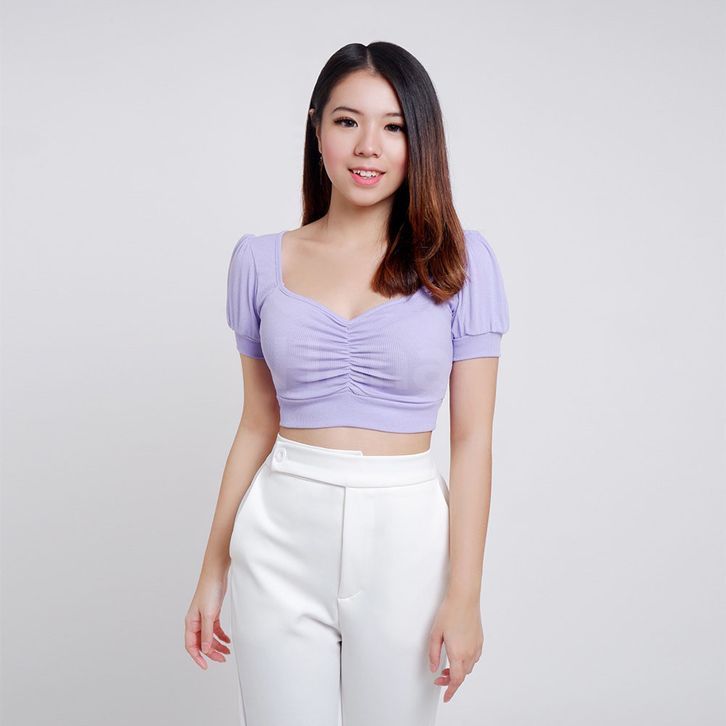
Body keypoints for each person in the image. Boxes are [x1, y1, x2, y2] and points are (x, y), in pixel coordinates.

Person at [184, 41, 510, 726]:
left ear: (420, 141)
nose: (369, 146)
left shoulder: (460, 262)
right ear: (317, 129)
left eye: (394, 126)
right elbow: (256, 422)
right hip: (278, 534)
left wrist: (466, 596)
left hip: (408, 540)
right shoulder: (259, 261)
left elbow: (473, 440)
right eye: (347, 121)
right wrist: (213, 568)